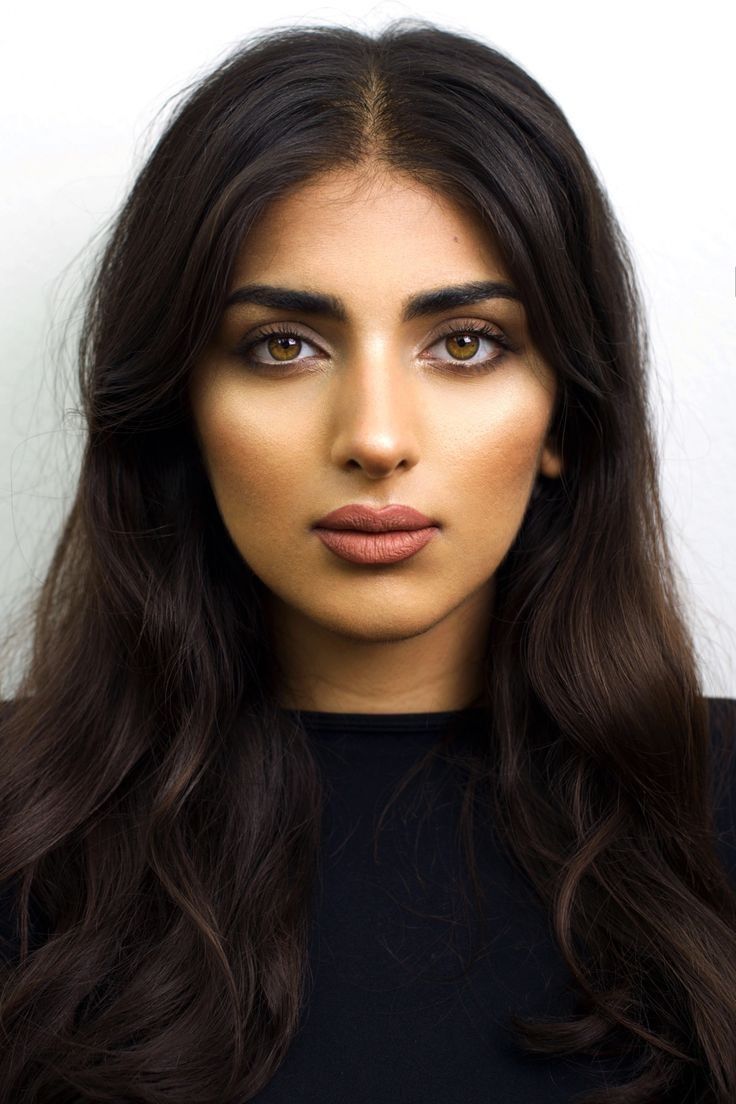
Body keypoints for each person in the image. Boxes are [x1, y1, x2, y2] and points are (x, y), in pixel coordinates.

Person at [1, 18, 735, 1103]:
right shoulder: (25, 828)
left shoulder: (710, 813)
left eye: (466, 343)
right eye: (283, 346)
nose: (377, 436)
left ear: (564, 417)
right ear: (180, 409)